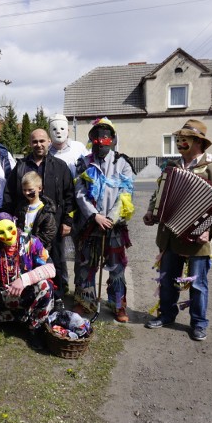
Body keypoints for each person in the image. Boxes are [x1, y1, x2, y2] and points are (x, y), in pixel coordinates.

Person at [143, 119, 212, 341]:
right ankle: (167, 315)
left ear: (198, 142)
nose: (180, 142)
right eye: (178, 139)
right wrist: (152, 211)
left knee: (197, 283)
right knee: (167, 278)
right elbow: (159, 193)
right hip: (171, 233)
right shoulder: (171, 166)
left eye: (185, 139)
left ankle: (199, 323)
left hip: (198, 237)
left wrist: (208, 231)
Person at [73, 117, 135, 323]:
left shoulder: (123, 163)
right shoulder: (84, 163)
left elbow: (126, 192)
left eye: (106, 137)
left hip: (114, 226)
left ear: (113, 139)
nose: (101, 142)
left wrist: (111, 217)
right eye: (97, 137)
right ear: (92, 139)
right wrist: (95, 215)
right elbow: (80, 193)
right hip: (90, 225)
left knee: (117, 268)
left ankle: (118, 304)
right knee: (85, 266)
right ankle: (84, 302)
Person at [0, 212, 56, 350]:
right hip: (3, 291)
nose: (7, 236)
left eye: (9, 230)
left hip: (26, 290)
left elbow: (51, 269)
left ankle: (34, 328)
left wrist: (23, 280)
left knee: (45, 287)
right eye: (1, 232)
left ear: (14, 224)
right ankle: (18, 318)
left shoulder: (31, 241)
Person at [3, 128, 74, 302]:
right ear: (30, 143)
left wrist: (67, 221)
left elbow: (69, 195)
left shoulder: (60, 166)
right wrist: (9, 220)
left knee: (54, 261)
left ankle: (57, 296)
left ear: (49, 141)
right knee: (26, 262)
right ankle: (28, 296)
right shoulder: (20, 167)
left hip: (52, 226)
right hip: (25, 225)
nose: (39, 144)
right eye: (35, 141)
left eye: (42, 141)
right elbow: (9, 194)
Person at [14, 171, 57, 252]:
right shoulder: (21, 207)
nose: (27, 193)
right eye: (24, 190)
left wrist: (33, 244)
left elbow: (50, 233)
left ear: (39, 188)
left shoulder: (46, 210)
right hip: (21, 248)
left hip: (38, 250)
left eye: (30, 190)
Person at [48, 114, 89, 178]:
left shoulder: (79, 147)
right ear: (49, 132)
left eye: (62, 128)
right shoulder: (46, 152)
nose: (58, 132)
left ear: (68, 131)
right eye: (54, 129)